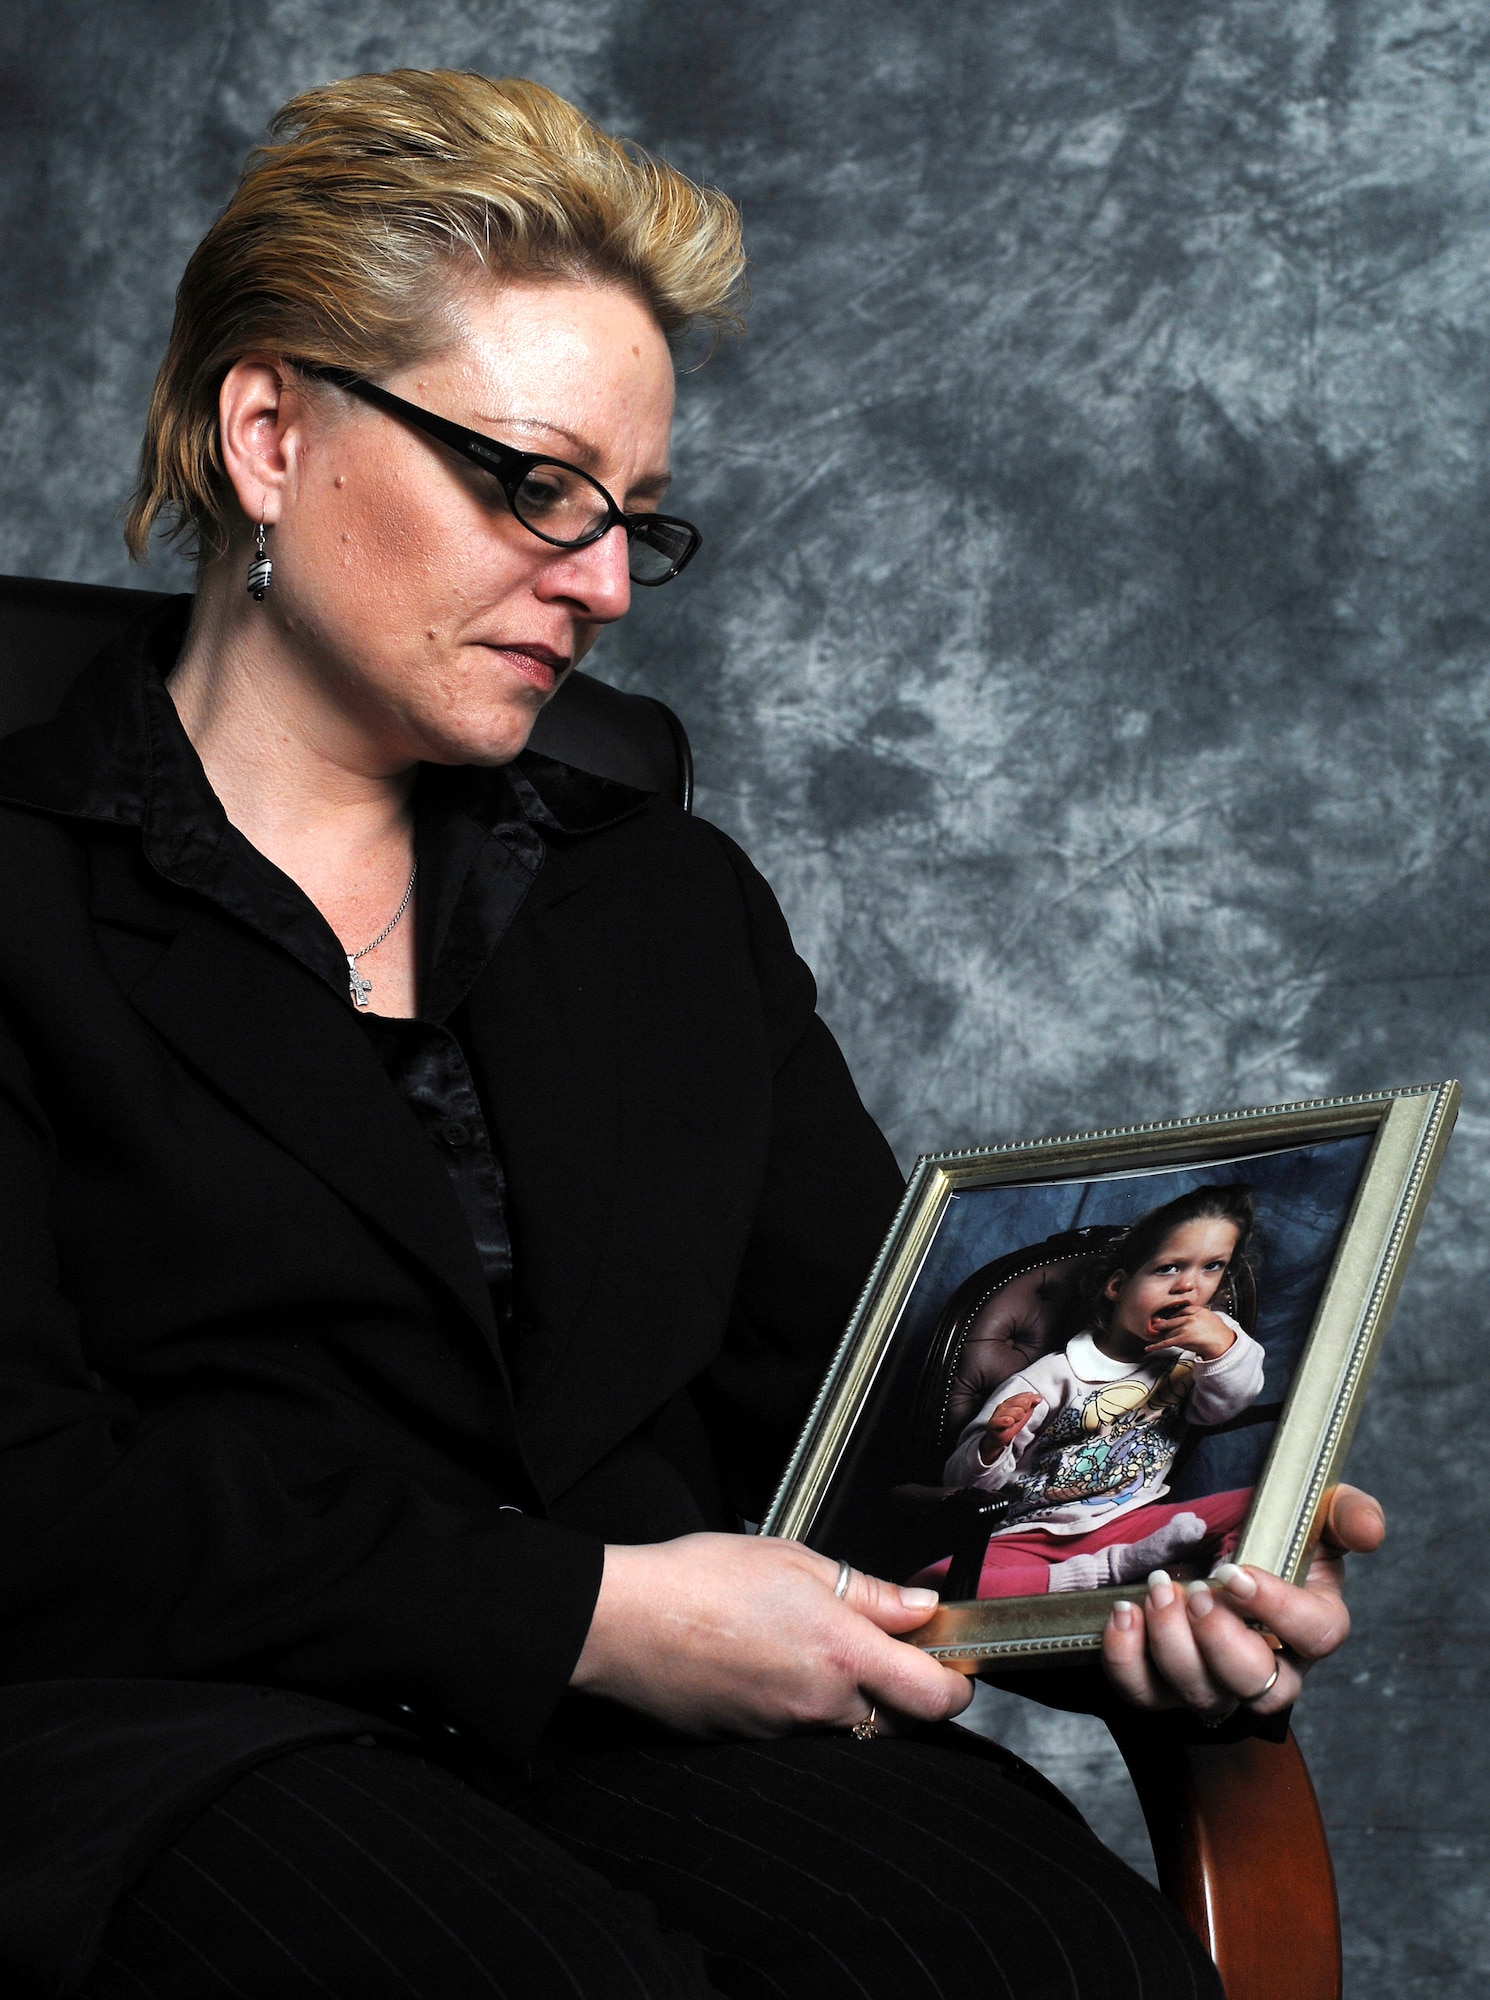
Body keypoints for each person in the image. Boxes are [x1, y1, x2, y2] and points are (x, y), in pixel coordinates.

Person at [0, 69, 1384, 2000]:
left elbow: (872, 1422)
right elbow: (30, 1497)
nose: (604, 583)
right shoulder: (16, 891)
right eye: (535, 484)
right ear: (270, 434)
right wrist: (582, 1610)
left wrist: (1153, 1537)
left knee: (1050, 1961)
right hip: (169, 1737)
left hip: (645, 1741)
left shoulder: (660, 900)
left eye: (639, 518)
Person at [932, 1186, 1265, 1600]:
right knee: (936, 1581)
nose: (1189, 1287)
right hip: (1037, 1535)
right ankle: (1103, 1572)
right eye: (1168, 1269)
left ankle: (1224, 1590)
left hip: (1136, 1520)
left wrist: (1222, 1350)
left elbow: (1221, 1408)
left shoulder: (1208, 1351)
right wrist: (992, 1444)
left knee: (1269, 1503)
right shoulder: (1051, 1378)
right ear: (1117, 1286)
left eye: (1212, 1267)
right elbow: (960, 1482)